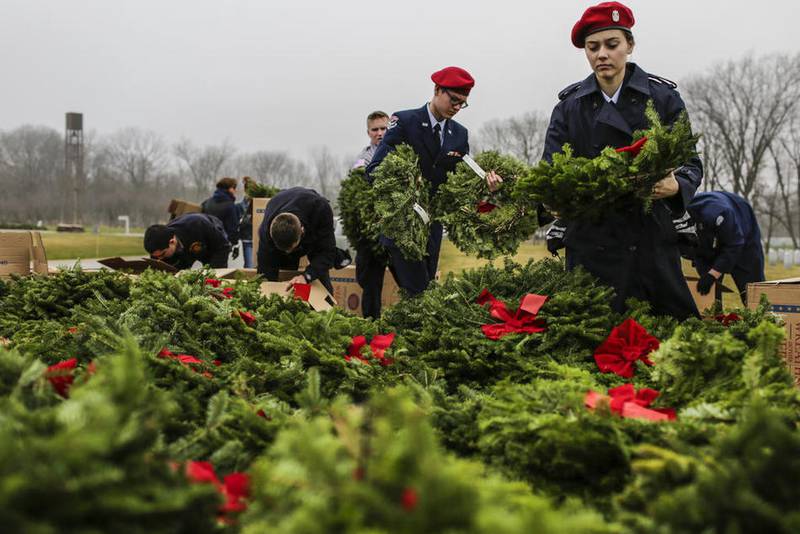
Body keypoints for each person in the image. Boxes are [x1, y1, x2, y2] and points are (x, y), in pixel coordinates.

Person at [542, 1, 703, 320]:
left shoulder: (662, 98)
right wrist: (554, 200)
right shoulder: (569, 108)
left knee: (666, 335)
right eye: (593, 47)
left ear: (629, 45)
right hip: (592, 242)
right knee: (592, 338)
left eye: (611, 44)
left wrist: (675, 185)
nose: (602, 54)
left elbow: (690, 163)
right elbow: (550, 173)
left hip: (650, 238)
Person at [366, 66, 503, 299]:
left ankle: (408, 333)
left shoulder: (460, 135)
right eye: (454, 100)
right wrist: (406, 182)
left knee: (424, 290)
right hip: (403, 226)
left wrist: (486, 184)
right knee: (419, 292)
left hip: (433, 226)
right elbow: (375, 171)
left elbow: (460, 182)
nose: (458, 108)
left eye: (463, 103)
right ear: (437, 90)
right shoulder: (404, 121)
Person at [687, 191, 764, 304]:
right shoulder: (677, 218)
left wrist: (713, 274)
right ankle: (714, 316)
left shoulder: (719, 214)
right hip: (707, 243)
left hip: (742, 233)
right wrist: (708, 274)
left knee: (752, 290)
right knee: (709, 290)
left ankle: (761, 317)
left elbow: (734, 245)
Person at [257, 187, 338, 293]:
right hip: (280, 204)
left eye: (291, 248)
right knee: (286, 283)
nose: (287, 252)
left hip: (313, 228)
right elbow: (265, 270)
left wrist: (306, 277)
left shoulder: (320, 209)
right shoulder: (266, 232)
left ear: (302, 231)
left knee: (320, 280)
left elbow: (327, 253)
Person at [143, 212, 231, 269]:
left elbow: (222, 248)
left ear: (172, 242)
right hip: (183, 251)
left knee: (212, 278)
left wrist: (212, 275)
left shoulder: (198, 224)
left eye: (162, 254)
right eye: (156, 257)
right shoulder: (158, 250)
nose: (160, 259)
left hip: (211, 243)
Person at [202, 177, 241, 260]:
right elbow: (233, 227)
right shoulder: (230, 206)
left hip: (206, 243)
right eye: (234, 188)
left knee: (206, 270)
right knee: (220, 271)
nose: (235, 191)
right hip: (221, 245)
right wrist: (235, 244)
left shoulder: (206, 202)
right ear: (230, 189)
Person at [237, 176, 255, 268]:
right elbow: (239, 223)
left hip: (258, 239)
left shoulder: (260, 204)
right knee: (249, 266)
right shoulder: (240, 206)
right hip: (247, 239)